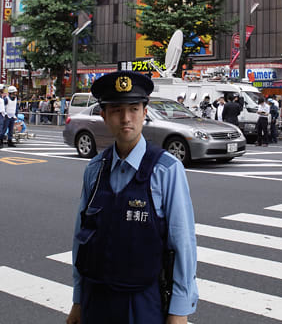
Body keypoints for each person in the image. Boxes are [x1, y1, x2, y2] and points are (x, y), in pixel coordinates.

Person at [66, 71, 198, 324]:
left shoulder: (166, 170)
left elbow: (182, 242)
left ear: (144, 112)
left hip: (142, 301)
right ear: (104, 115)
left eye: (134, 109)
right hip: (95, 297)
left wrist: (179, 311)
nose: (126, 118)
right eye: (116, 110)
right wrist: (78, 300)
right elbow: (81, 239)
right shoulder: (95, 169)